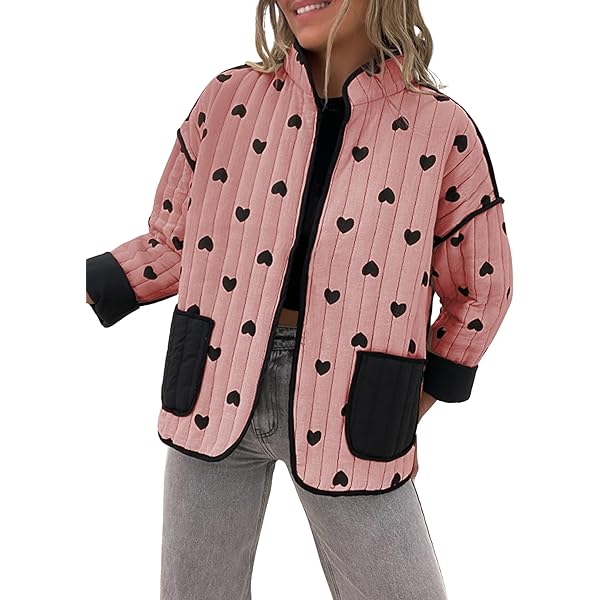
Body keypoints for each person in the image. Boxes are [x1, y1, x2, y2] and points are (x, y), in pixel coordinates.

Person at [86, 0, 513, 597]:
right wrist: (91, 283)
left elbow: (481, 287)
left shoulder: (441, 130)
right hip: (211, 379)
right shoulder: (228, 99)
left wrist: (417, 398)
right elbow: (176, 242)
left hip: (355, 402)